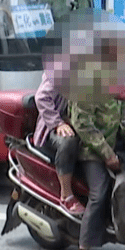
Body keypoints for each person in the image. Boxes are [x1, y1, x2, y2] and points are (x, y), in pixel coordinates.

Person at [69, 89, 125, 250]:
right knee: (99, 192)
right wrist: (107, 154)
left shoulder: (117, 85)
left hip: (117, 146)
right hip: (91, 152)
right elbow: (82, 124)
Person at [33, 72, 84, 216]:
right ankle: (66, 195)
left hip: (79, 124)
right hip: (52, 128)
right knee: (69, 141)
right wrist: (57, 123)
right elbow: (41, 97)